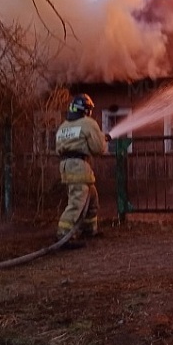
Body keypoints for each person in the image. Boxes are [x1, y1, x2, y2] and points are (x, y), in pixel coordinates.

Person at [55, 94, 109, 249]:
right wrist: (103, 140)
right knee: (77, 202)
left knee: (92, 198)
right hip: (78, 166)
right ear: (86, 110)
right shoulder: (88, 123)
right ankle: (63, 235)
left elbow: (59, 147)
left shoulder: (63, 126)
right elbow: (97, 149)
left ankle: (88, 229)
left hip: (66, 165)